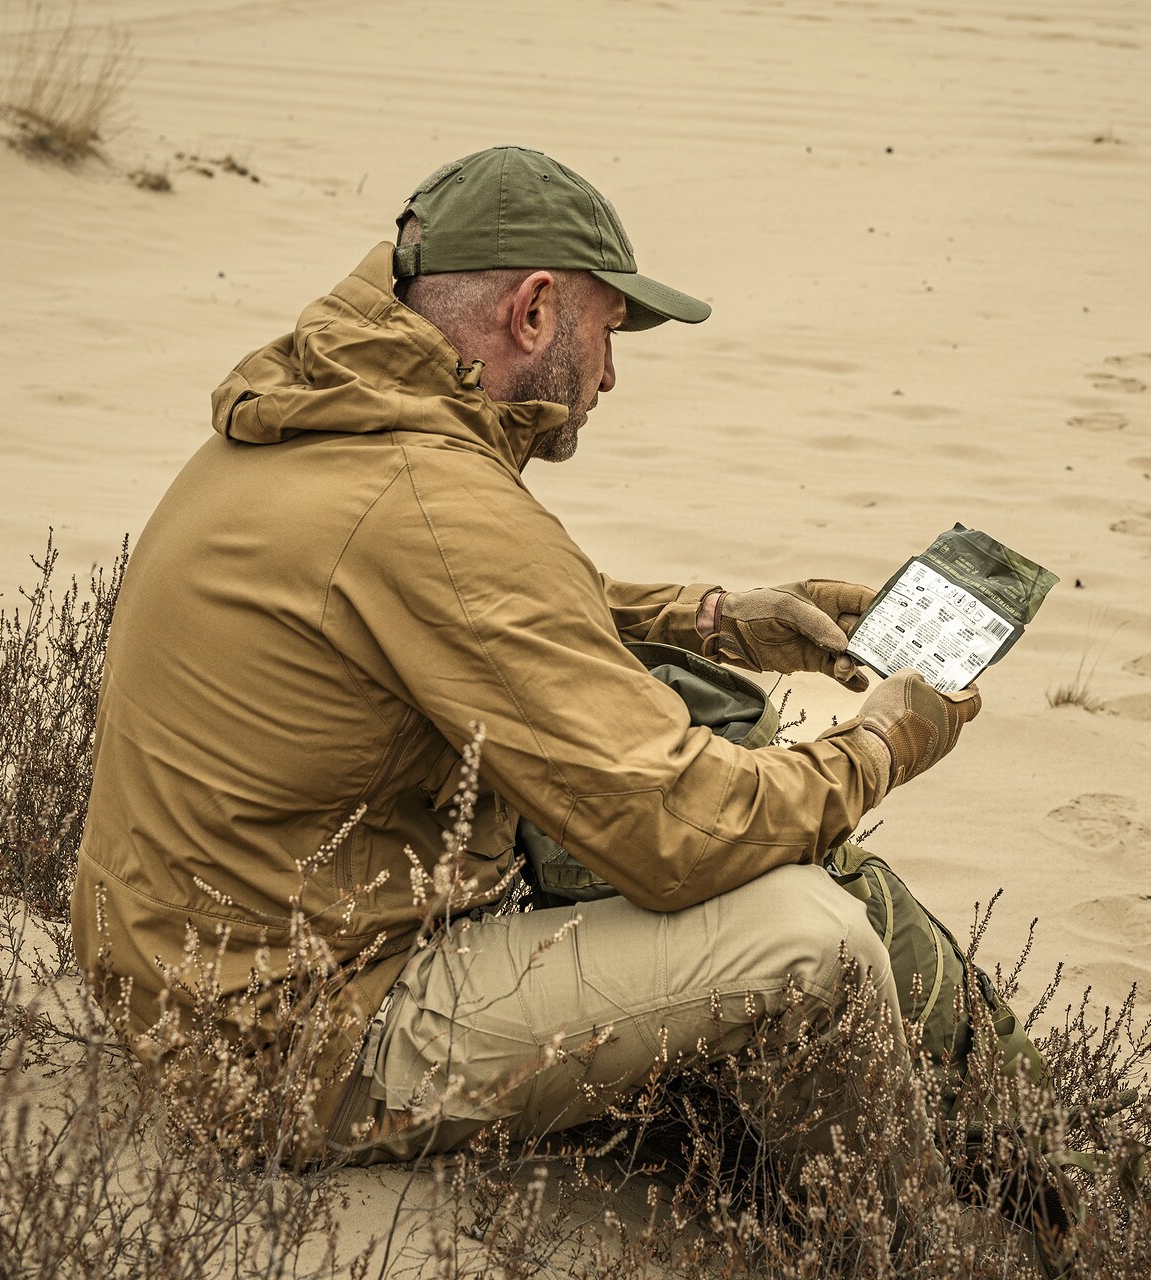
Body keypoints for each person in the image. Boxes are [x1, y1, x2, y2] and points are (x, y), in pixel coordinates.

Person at [70, 145, 981, 1225]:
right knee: (811, 939)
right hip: (296, 1045)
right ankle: (907, 1240)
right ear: (537, 312)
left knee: (669, 744)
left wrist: (720, 619)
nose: (609, 376)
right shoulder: (425, 497)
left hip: (196, 991)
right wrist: (882, 744)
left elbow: (500, 602)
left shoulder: (320, 416)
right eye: (610, 334)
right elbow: (680, 829)